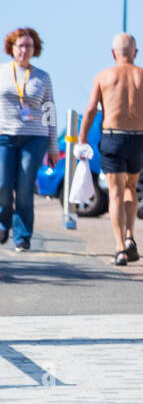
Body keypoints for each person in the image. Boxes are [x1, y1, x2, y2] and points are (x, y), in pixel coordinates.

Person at [78, 34, 143, 267]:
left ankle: (120, 248)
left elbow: (89, 110)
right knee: (130, 188)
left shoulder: (103, 76)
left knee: (115, 193)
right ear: (136, 52)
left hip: (113, 137)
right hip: (138, 138)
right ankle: (130, 235)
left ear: (113, 52)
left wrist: (82, 140)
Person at [0, 27, 60, 252]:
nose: (24, 50)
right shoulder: (2, 72)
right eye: (20, 46)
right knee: (3, 185)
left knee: (24, 186)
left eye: (29, 46)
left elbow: (50, 111)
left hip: (35, 137)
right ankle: (2, 222)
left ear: (35, 49)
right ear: (12, 48)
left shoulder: (42, 77)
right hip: (4, 135)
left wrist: (53, 146)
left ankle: (23, 235)